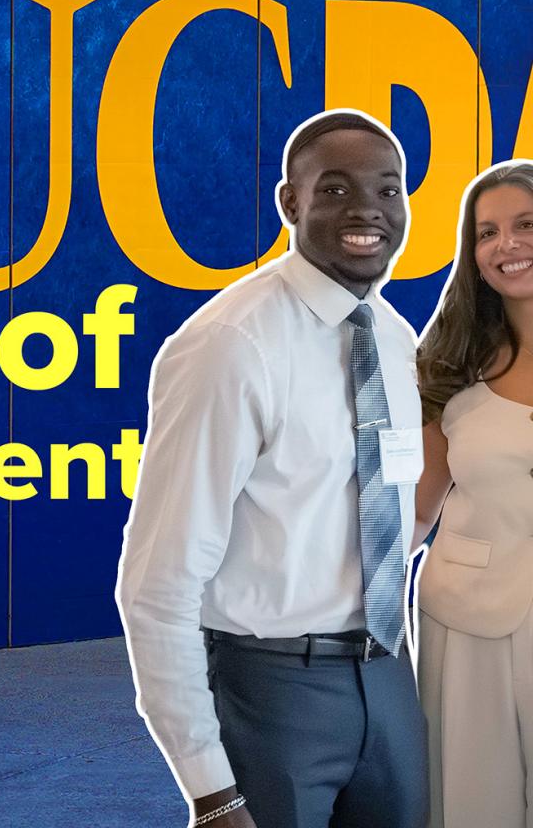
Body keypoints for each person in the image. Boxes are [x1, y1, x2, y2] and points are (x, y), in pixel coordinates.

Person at [117, 108, 429, 828]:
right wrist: (210, 788)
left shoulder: (392, 337)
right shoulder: (231, 345)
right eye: (336, 190)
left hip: (389, 680)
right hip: (272, 692)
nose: (368, 212)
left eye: (388, 190)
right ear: (290, 203)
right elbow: (159, 580)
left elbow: (390, 512)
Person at [414, 160, 533, 828]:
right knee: (470, 807)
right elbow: (418, 508)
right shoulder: (450, 359)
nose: (507, 245)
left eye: (525, 224)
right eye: (487, 233)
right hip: (467, 624)